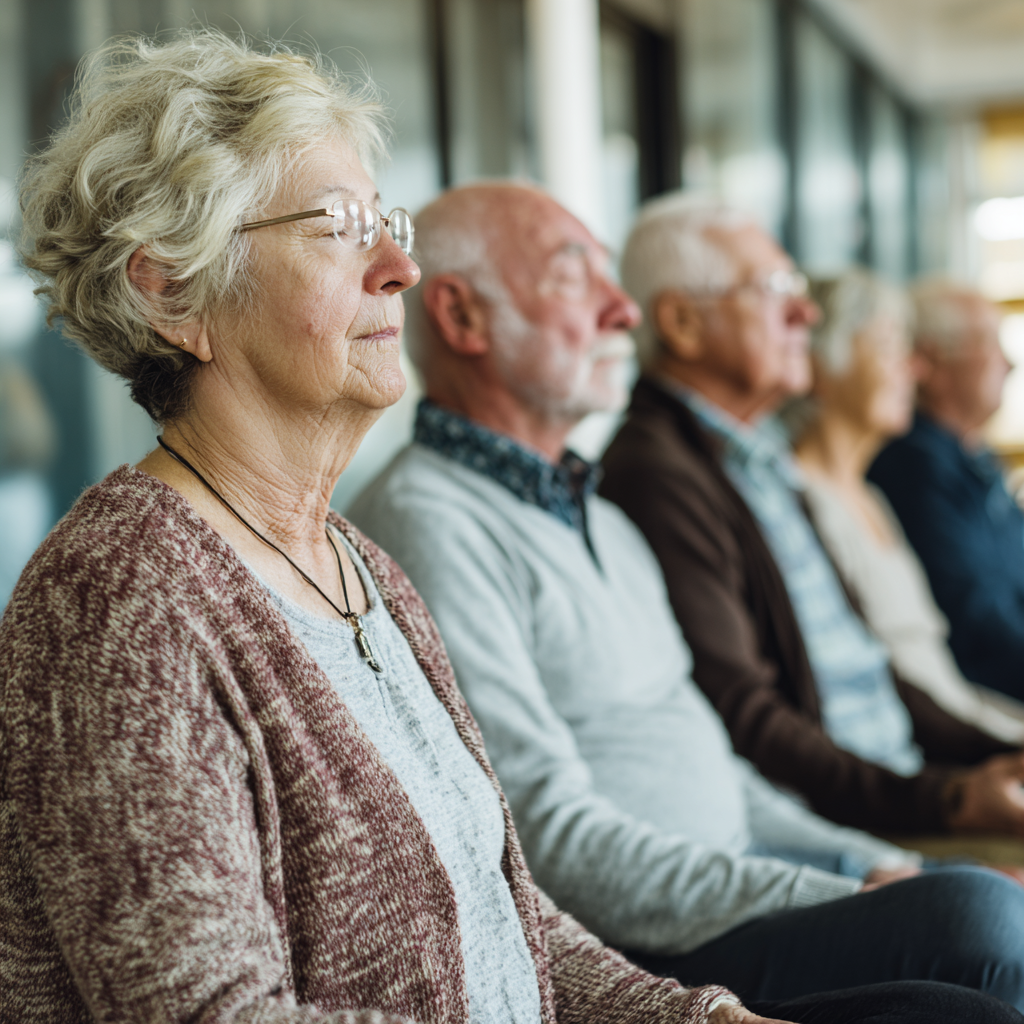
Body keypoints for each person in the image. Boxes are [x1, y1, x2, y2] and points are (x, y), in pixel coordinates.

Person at [0, 33, 811, 1024]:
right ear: (171, 289)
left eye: (386, 223)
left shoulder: (360, 565)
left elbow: (508, 916)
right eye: (339, 228)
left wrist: (696, 1017)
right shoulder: (120, 601)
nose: (400, 267)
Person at [348, 181, 1024, 1013]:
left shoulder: (599, 514)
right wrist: (839, 894)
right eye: (573, 277)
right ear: (461, 319)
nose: (621, 312)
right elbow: (541, 838)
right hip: (643, 951)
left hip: (738, 897)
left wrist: (877, 868)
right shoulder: (428, 522)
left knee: (974, 908)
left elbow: (726, 772)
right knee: (982, 922)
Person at [598, 193, 1024, 840]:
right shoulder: (657, 473)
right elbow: (748, 718)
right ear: (682, 323)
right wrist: (947, 799)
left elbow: (873, 670)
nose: (804, 312)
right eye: (772, 289)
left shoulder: (758, 460)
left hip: (901, 790)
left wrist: (984, 763)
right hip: (859, 822)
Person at [789, 269, 1024, 745]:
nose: (913, 369)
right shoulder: (806, 499)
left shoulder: (870, 494)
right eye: (888, 347)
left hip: (961, 725)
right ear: (821, 367)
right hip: (924, 756)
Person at [868, 282, 1024, 704]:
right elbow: (978, 621)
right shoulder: (915, 467)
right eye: (987, 344)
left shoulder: (973, 455)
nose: (1008, 364)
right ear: (933, 365)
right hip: (984, 698)